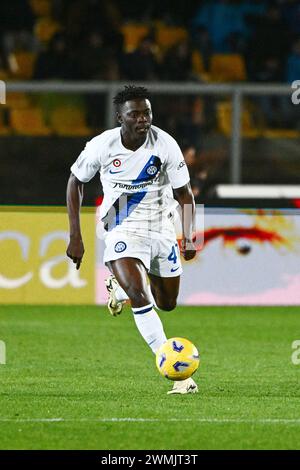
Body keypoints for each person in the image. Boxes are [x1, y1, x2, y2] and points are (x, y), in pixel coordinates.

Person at [66, 85, 198, 395]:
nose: (142, 119)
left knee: (167, 303)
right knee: (142, 297)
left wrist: (191, 235)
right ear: (120, 118)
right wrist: (75, 235)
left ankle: (119, 287)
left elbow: (185, 194)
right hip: (120, 227)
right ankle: (178, 374)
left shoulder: (165, 144)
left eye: (147, 113)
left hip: (161, 228)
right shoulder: (102, 145)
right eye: (135, 114)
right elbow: (75, 182)